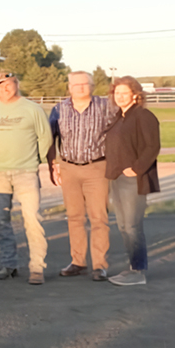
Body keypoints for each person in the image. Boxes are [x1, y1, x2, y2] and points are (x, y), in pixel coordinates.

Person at [0, 73, 53, 285]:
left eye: (8, 84)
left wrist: (34, 160)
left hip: (26, 172)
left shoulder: (32, 109)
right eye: (0, 85)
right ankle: (9, 264)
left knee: (32, 219)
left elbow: (45, 138)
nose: (5, 88)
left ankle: (37, 267)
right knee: (1, 221)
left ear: (16, 84)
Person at [48, 71, 113, 281]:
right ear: (69, 87)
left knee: (98, 218)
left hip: (97, 167)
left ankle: (100, 265)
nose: (80, 87)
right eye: (76, 84)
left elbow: (119, 134)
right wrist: (52, 164)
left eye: (85, 84)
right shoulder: (59, 109)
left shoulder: (106, 106)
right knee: (74, 217)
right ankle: (78, 261)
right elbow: (51, 138)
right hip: (69, 167)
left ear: (92, 86)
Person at [104, 76, 160, 286]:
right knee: (123, 225)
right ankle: (132, 267)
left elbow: (152, 147)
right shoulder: (119, 117)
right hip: (116, 177)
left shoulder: (143, 116)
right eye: (116, 93)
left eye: (124, 93)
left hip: (132, 179)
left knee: (133, 226)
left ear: (135, 95)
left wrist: (136, 169)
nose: (119, 97)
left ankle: (139, 271)